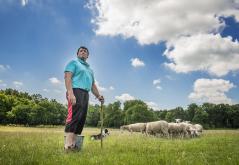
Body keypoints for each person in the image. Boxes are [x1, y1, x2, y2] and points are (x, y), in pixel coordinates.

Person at [64, 46, 104, 150]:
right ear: (77, 54)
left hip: (85, 94)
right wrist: (70, 93)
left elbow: (92, 85)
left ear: (87, 55)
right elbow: (68, 77)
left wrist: (98, 96)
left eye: (85, 51)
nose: (83, 52)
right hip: (75, 90)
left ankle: (74, 145)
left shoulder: (90, 69)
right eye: (81, 51)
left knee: (81, 119)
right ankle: (68, 145)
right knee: (74, 117)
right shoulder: (73, 63)